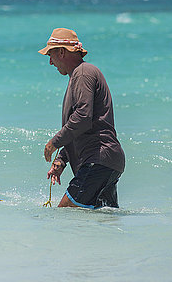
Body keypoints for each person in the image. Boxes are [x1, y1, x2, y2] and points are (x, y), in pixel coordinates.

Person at [39, 28, 125, 209]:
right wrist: (62, 159)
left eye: (51, 54)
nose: (50, 62)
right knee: (101, 223)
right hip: (107, 162)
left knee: (64, 214)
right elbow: (83, 126)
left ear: (62, 52)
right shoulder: (78, 76)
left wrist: (54, 142)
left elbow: (82, 118)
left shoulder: (83, 73)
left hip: (98, 160)